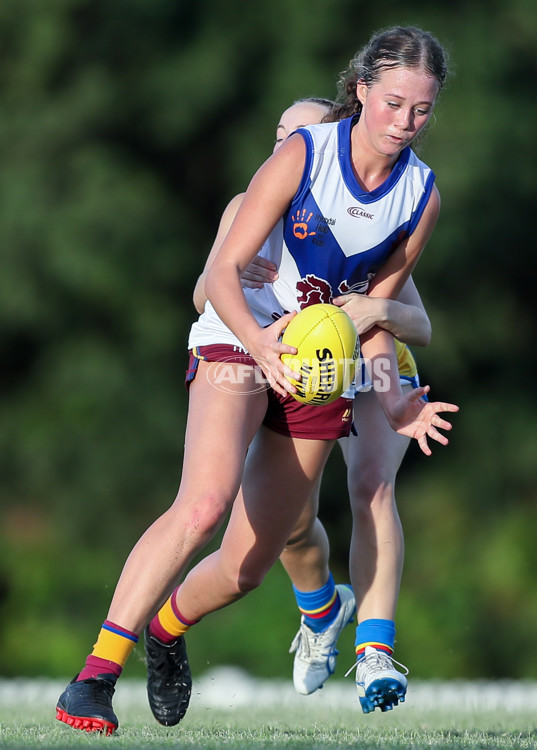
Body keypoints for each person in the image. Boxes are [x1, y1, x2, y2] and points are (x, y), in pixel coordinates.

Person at [55, 25, 456, 734]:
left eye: (420, 110)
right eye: (393, 103)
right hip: (241, 341)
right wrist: (259, 343)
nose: (404, 123)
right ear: (360, 90)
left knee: (246, 565)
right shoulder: (304, 155)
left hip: (317, 370)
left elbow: (379, 315)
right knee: (204, 504)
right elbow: (215, 279)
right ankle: (94, 676)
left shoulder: (419, 195)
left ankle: (168, 631)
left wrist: (394, 400)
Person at [191, 98, 434, 713]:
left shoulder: (369, 220)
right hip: (286, 364)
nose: (284, 149)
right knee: (288, 520)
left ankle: (375, 651)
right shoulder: (250, 208)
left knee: (372, 488)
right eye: (278, 135)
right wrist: (247, 285)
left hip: (372, 362)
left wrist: (377, 314)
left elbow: (416, 324)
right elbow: (203, 294)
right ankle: (321, 607)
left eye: (298, 138)